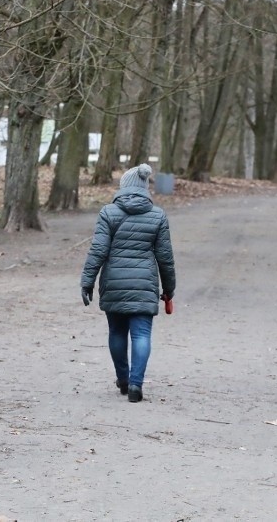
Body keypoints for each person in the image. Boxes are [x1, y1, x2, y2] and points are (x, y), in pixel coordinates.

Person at [80, 163, 176, 403]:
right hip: (144, 284)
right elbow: (165, 257)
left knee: (117, 331)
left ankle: (123, 380)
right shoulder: (157, 215)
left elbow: (98, 250)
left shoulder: (108, 213)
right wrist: (169, 288)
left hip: (114, 282)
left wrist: (87, 281)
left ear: (123, 187)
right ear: (145, 188)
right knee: (141, 334)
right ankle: (135, 385)